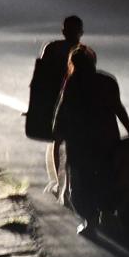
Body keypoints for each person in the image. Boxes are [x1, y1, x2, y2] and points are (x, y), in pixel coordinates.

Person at [53, 45, 129, 233]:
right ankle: (106, 214)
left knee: (82, 187)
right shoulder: (107, 81)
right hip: (107, 143)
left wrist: (61, 179)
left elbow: (60, 123)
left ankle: (90, 221)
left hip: (80, 148)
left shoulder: (71, 85)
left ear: (72, 65)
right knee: (108, 179)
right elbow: (119, 109)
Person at [39, 16, 84, 199]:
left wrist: (37, 106)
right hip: (76, 104)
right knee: (73, 144)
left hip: (59, 103)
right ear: (81, 32)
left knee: (57, 142)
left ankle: (59, 182)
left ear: (63, 31)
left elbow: (40, 79)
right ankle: (67, 183)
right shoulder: (86, 53)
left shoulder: (51, 48)